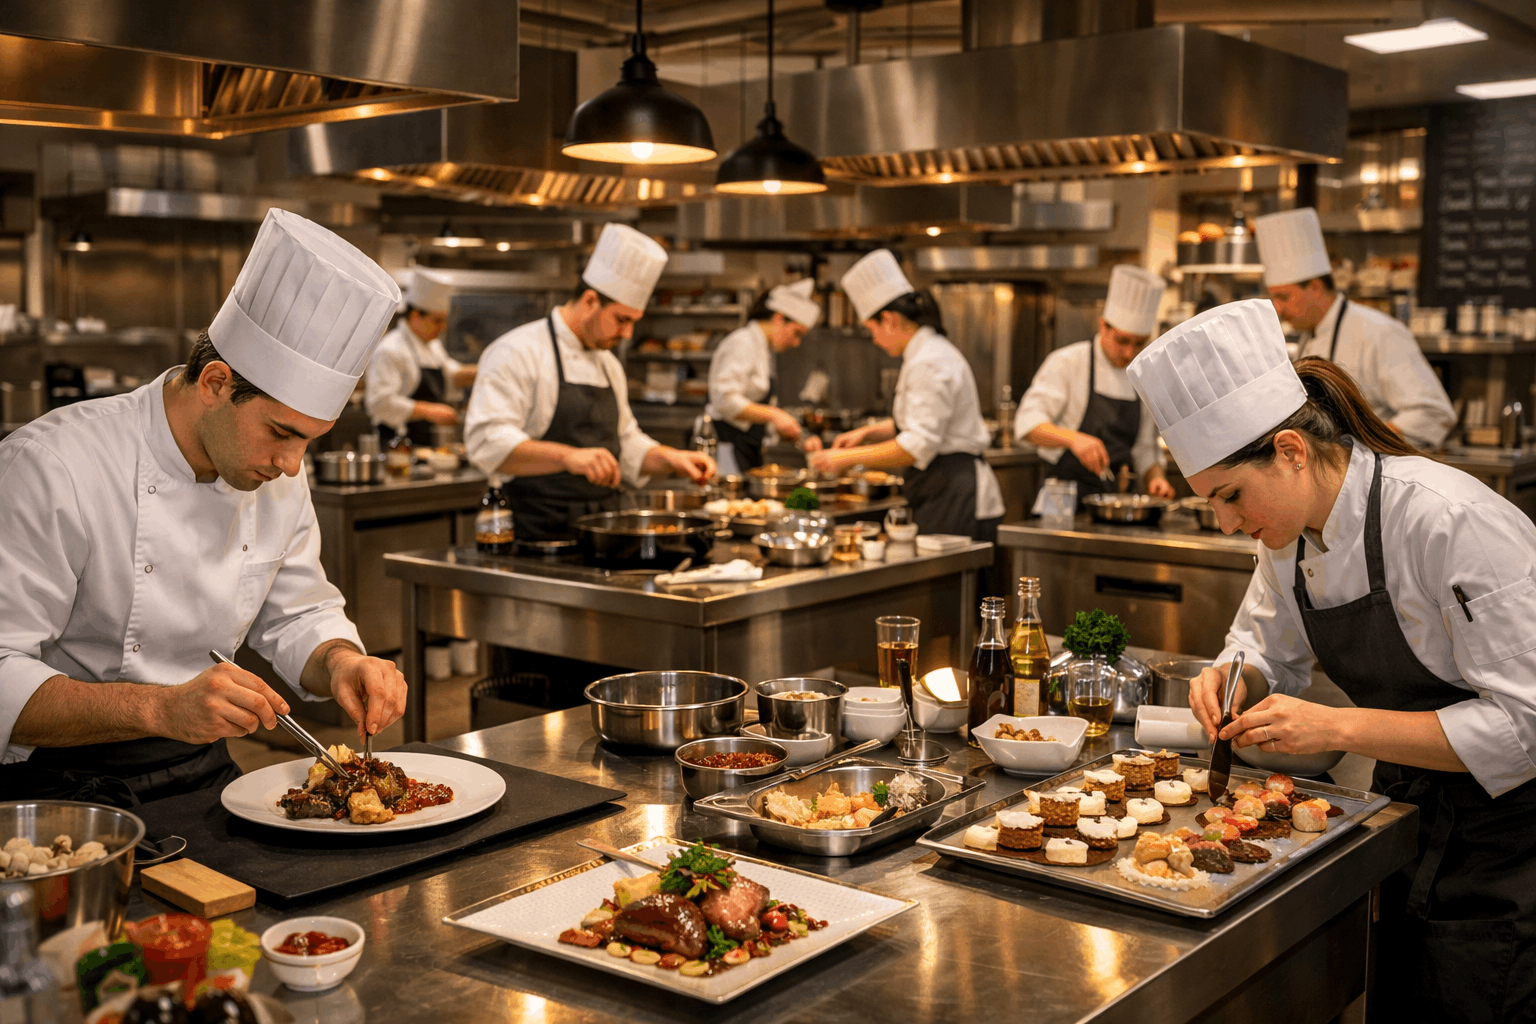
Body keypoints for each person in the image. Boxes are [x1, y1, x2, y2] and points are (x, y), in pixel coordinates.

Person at [1125, 297, 1536, 1020]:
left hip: (1509, 843)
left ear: (1291, 451)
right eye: (1211, 505)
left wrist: (1337, 727)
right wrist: (1233, 678)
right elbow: (1264, 647)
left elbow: (1526, 725)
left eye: (1230, 496)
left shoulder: (1448, 521)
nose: (1227, 523)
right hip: (1406, 813)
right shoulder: (1288, 535)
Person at [0, 209, 410, 805]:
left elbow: (297, 614)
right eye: (281, 432)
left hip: (203, 770)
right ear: (216, 382)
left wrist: (342, 661)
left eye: (310, 441)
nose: (292, 465)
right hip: (55, 786)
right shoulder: (53, 465)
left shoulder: (273, 472)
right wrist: (160, 707)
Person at [464, 224, 715, 541]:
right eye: (621, 320)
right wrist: (567, 457)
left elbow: (625, 443)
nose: (628, 334)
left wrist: (670, 458)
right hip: (537, 531)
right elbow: (486, 443)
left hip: (604, 529)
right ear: (590, 300)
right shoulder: (517, 352)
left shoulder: (608, 364)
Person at [810, 250, 1004, 542]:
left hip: (955, 496)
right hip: (942, 490)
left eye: (872, 329)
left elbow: (917, 445)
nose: (874, 340)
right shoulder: (925, 353)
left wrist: (844, 458)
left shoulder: (929, 361)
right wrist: (867, 433)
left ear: (889, 320)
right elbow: (921, 423)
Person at [1254, 207, 1455, 449]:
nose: (1277, 308)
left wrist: (1362, 447)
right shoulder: (1309, 337)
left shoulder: (1379, 332)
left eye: (1283, 297)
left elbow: (1433, 412)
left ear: (1315, 288)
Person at [1013, 264, 1174, 500]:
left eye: (1139, 343)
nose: (1129, 353)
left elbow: (1144, 449)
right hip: (1062, 498)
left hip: (1117, 501)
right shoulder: (1067, 363)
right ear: (1103, 326)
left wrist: (1156, 478)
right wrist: (1073, 439)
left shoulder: (1144, 375)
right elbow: (1027, 425)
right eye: (1122, 340)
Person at [707, 279, 824, 476]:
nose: (796, 342)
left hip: (747, 447)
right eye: (796, 333)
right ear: (778, 318)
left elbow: (757, 411)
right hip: (725, 450)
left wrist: (798, 437)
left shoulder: (764, 350)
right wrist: (775, 415)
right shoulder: (742, 342)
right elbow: (723, 399)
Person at [365, 268, 477, 447]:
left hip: (428, 442)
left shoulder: (433, 346)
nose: (444, 327)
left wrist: (485, 370)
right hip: (398, 444)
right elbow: (379, 402)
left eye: (445, 320)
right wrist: (428, 411)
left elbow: (452, 374)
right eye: (437, 320)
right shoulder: (390, 349)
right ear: (416, 315)